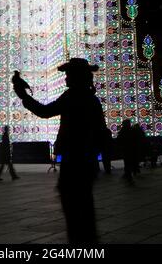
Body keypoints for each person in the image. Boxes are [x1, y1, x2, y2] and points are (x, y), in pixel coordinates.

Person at [12, 58, 107, 244]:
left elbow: (45, 112)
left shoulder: (73, 97)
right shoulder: (90, 99)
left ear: (77, 77)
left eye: (69, 75)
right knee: (84, 209)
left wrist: (24, 97)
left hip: (75, 160)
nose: (65, 79)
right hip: (87, 161)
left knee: (74, 210)